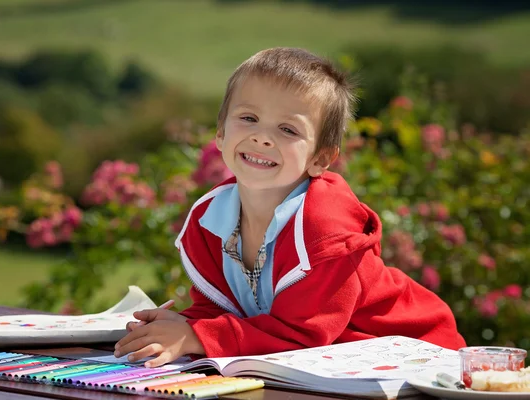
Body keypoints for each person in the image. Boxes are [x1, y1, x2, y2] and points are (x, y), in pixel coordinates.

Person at [114, 47, 467, 368]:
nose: (263, 137)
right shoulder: (209, 221)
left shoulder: (324, 230)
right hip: (330, 367)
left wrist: (198, 336)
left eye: (287, 129)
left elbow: (302, 336)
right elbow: (220, 309)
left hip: (416, 356)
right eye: (248, 118)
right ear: (220, 133)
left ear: (321, 158)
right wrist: (179, 327)